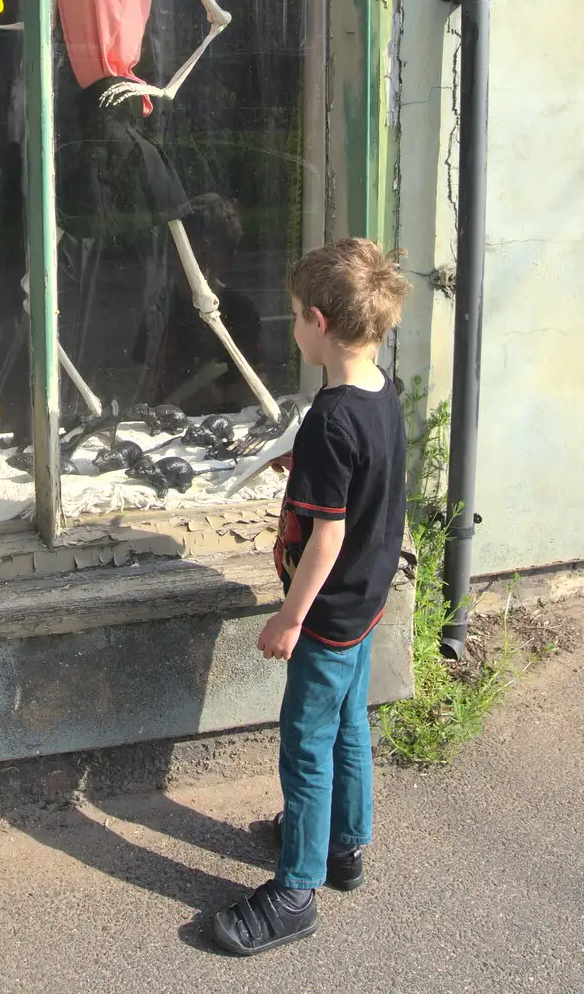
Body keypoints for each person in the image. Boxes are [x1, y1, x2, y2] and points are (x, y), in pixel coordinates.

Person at [211, 237, 410, 957]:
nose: (292, 326)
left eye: (296, 315)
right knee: (350, 724)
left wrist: (289, 619)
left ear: (319, 323)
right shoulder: (380, 390)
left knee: (306, 745)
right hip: (366, 600)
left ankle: (296, 890)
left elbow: (325, 537)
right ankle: (342, 846)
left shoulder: (330, 421)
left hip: (325, 616)